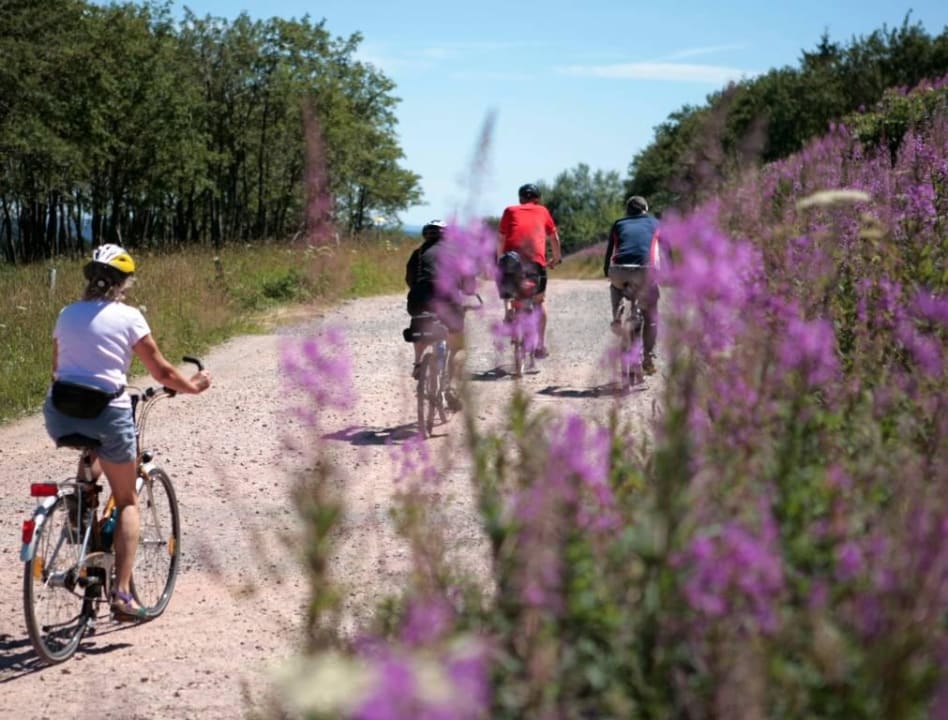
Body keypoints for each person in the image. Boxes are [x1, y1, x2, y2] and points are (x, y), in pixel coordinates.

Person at [43, 244, 212, 621]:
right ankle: (121, 594)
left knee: (90, 445)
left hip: (60, 412)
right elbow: (162, 372)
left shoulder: (67, 313)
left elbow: (58, 368)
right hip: (107, 412)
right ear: (124, 282)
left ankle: (81, 498)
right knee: (127, 501)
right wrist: (194, 385)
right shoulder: (129, 317)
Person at [404, 220, 467, 408]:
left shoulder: (418, 253)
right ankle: (452, 387)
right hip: (447, 297)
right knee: (458, 345)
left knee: (420, 326)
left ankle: (418, 364)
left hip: (419, 297)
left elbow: (410, 279)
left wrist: (421, 291)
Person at [497, 183, 562, 359]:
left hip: (511, 261)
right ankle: (540, 345)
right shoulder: (543, 211)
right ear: (537, 199)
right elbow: (554, 238)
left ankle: (508, 313)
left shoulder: (510, 210)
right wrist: (556, 258)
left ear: (520, 199)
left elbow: (501, 238)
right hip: (535, 263)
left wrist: (499, 260)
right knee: (538, 302)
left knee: (508, 288)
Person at [603, 195, 661, 375]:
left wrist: (607, 271)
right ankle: (648, 356)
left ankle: (617, 314)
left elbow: (610, 251)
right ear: (646, 209)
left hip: (619, 270)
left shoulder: (618, 223)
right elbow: (666, 249)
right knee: (651, 316)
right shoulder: (655, 223)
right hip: (645, 272)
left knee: (616, 287)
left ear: (627, 211)